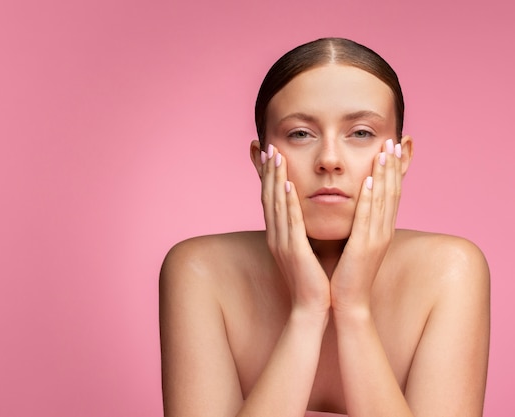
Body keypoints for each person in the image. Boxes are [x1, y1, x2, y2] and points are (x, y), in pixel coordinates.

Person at [159, 38, 490, 417]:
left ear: (401, 158)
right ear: (261, 158)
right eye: (300, 133)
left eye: (361, 132)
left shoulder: (451, 271)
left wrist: (353, 308)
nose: (329, 159)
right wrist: (307, 310)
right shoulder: (199, 271)